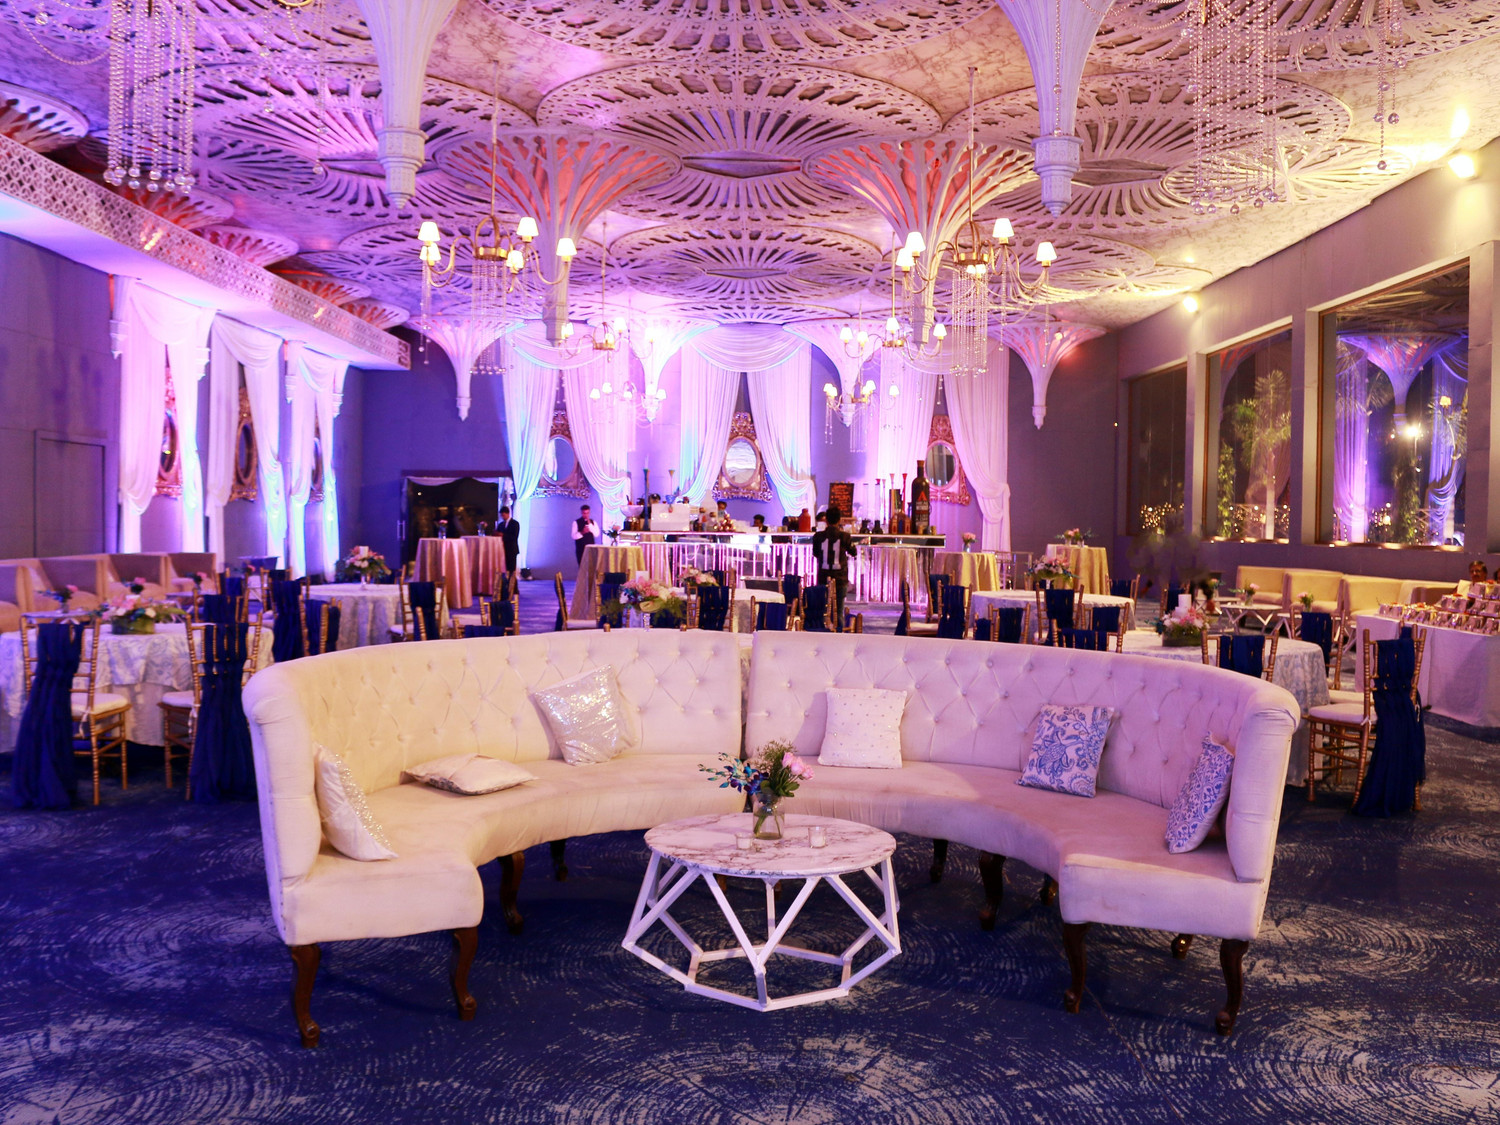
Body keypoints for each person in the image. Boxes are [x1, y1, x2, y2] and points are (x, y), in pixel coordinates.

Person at [811, 505, 857, 631]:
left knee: (822, 609)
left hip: (823, 577)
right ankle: (839, 633)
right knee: (839, 611)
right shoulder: (845, 536)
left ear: (826, 520)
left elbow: (815, 553)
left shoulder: (818, 536)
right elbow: (853, 552)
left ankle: (821, 632)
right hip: (840, 578)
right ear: (839, 520)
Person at [495, 505, 521, 574]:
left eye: (503, 515)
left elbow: (514, 536)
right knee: (503, 568)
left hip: (512, 549)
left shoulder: (515, 523)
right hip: (503, 549)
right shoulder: (500, 524)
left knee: (511, 568)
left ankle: (511, 580)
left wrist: (503, 535)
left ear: (508, 514)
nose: (502, 517)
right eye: (501, 516)